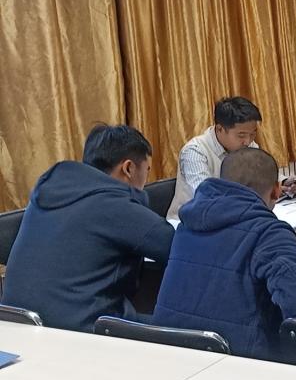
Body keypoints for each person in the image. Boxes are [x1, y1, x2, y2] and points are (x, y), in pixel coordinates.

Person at [153, 147, 296, 360]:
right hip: (238, 360)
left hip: (170, 353)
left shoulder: (187, 224)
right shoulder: (269, 232)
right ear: (276, 191)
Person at [2, 124, 174, 332]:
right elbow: (178, 250)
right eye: (147, 170)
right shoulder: (118, 206)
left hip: (17, 326)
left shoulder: (49, 190)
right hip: (81, 332)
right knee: (183, 329)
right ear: (128, 168)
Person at [167, 96, 296, 220]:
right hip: (193, 223)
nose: (247, 141)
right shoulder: (195, 151)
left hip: (234, 217)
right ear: (219, 129)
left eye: (253, 134)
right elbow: (207, 196)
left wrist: (281, 183)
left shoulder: (248, 145)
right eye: (241, 135)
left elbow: (261, 173)